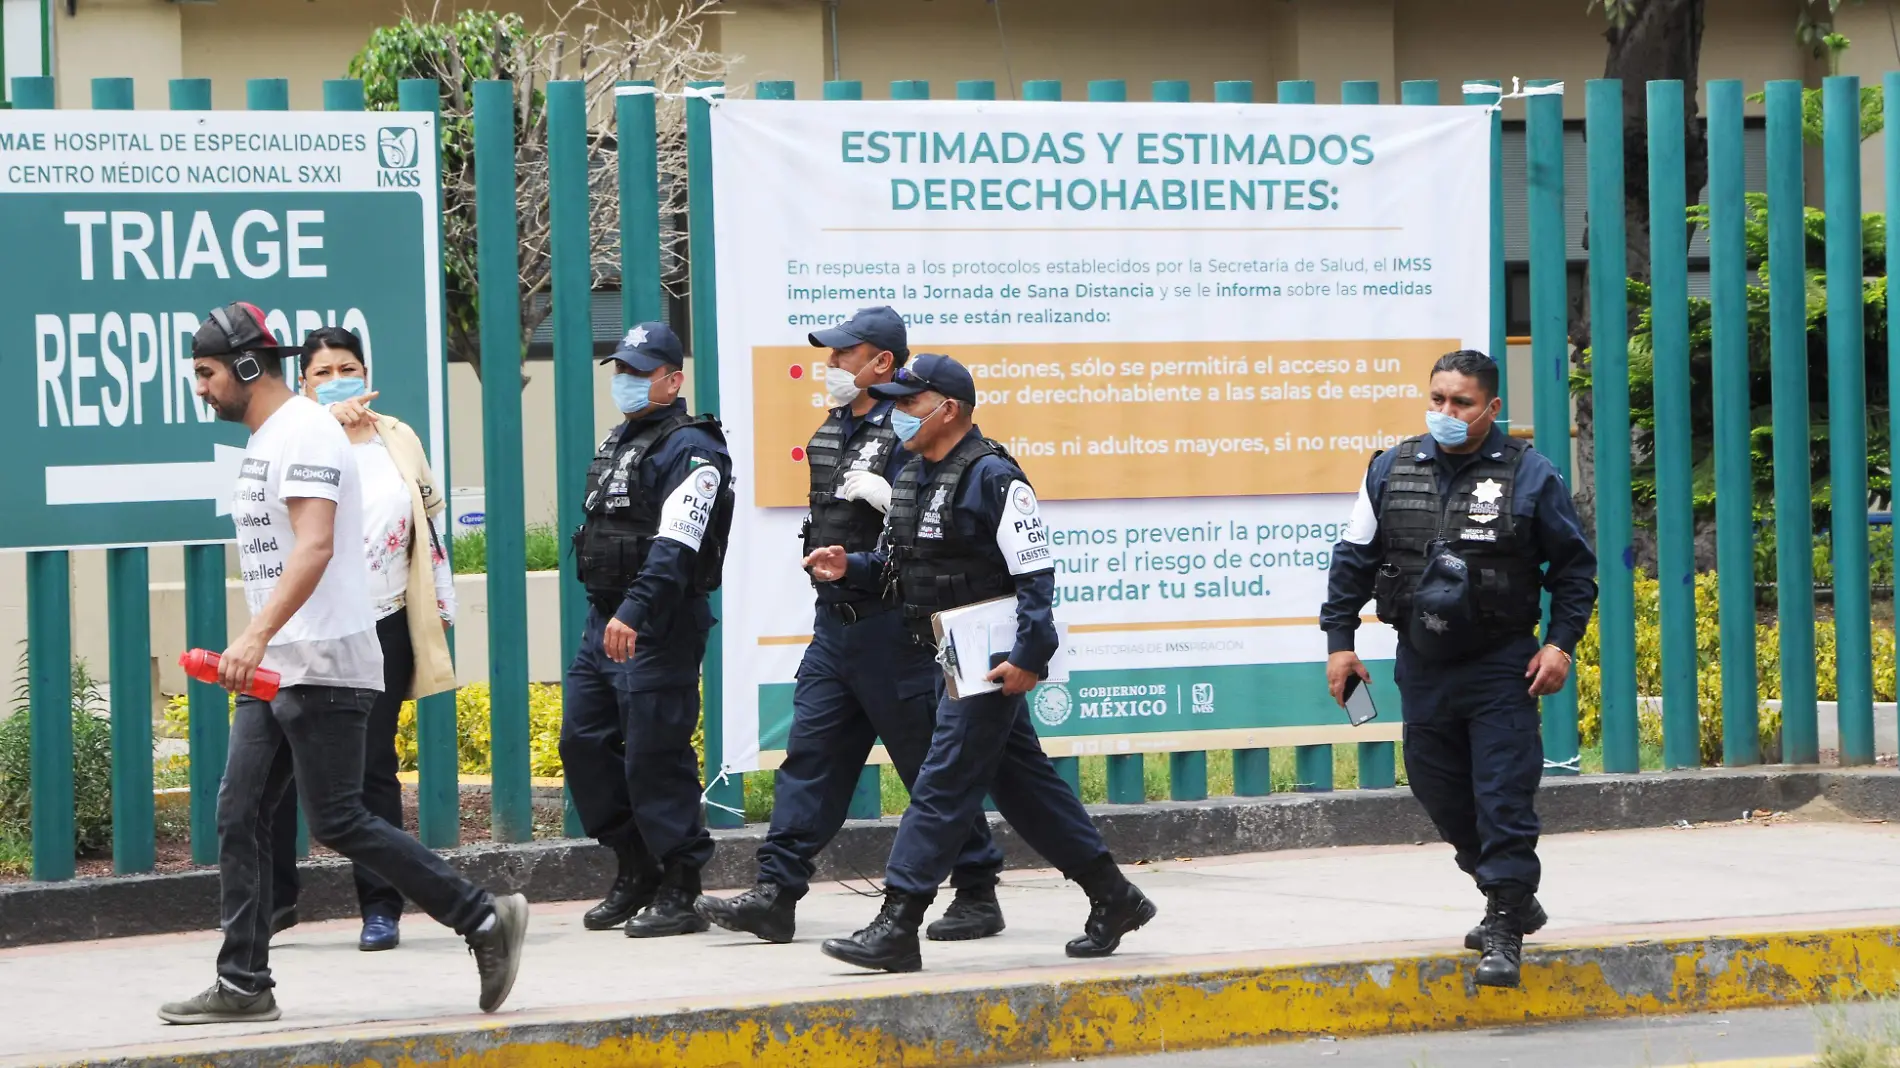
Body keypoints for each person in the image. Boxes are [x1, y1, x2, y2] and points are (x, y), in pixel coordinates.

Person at [161, 302, 525, 1025]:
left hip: (322, 660)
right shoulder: (270, 438)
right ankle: (243, 982)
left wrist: (256, 635)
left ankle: (483, 916)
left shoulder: (304, 434)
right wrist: (263, 643)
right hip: (282, 666)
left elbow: (316, 545)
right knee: (239, 813)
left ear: (243, 366)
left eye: (204, 374)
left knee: (338, 817)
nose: (200, 389)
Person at [804, 353, 1156, 973]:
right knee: (1025, 788)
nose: (899, 414)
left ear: (950, 410)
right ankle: (1114, 896)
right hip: (946, 654)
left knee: (941, 783)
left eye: (911, 404)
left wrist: (1029, 656)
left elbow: (1035, 574)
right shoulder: (913, 473)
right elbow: (897, 565)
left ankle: (897, 922)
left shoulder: (994, 476)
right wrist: (850, 566)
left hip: (991, 658)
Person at [695, 308, 1007, 945]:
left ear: (882, 363)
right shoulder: (833, 430)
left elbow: (938, 520)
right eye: (831, 356)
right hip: (835, 626)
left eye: (844, 355)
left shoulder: (913, 432)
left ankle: (976, 889)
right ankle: (775, 893)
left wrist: (888, 499)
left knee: (929, 765)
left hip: (898, 630)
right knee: (811, 759)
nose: (831, 366)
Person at [1321, 348, 1597, 989]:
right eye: (1438, 398)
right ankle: (1513, 896)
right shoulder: (1391, 468)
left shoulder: (1531, 476)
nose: (1446, 412)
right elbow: (1354, 559)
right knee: (1438, 789)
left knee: (1502, 795)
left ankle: (1503, 924)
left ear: (1492, 407)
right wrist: (1340, 642)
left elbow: (1575, 570)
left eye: (1462, 402)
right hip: (1422, 660)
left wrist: (1559, 645)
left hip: (1501, 663)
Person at [264, 326, 460, 952]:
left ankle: (381, 908)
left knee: (373, 767)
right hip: (306, 623)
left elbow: (428, 522)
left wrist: (441, 601)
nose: (336, 380)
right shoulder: (293, 436)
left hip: (385, 620)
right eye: (322, 372)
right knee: (278, 763)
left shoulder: (396, 436)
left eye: (347, 368)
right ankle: (276, 900)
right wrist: (322, 424)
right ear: (303, 383)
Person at [561, 321, 734, 938]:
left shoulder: (694, 450)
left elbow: (676, 546)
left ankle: (681, 886)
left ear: (673, 379)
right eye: (622, 371)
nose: (627, 382)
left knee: (655, 758)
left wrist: (635, 610)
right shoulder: (623, 439)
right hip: (603, 619)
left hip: (656, 623)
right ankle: (635, 866)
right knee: (583, 743)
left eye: (640, 372)